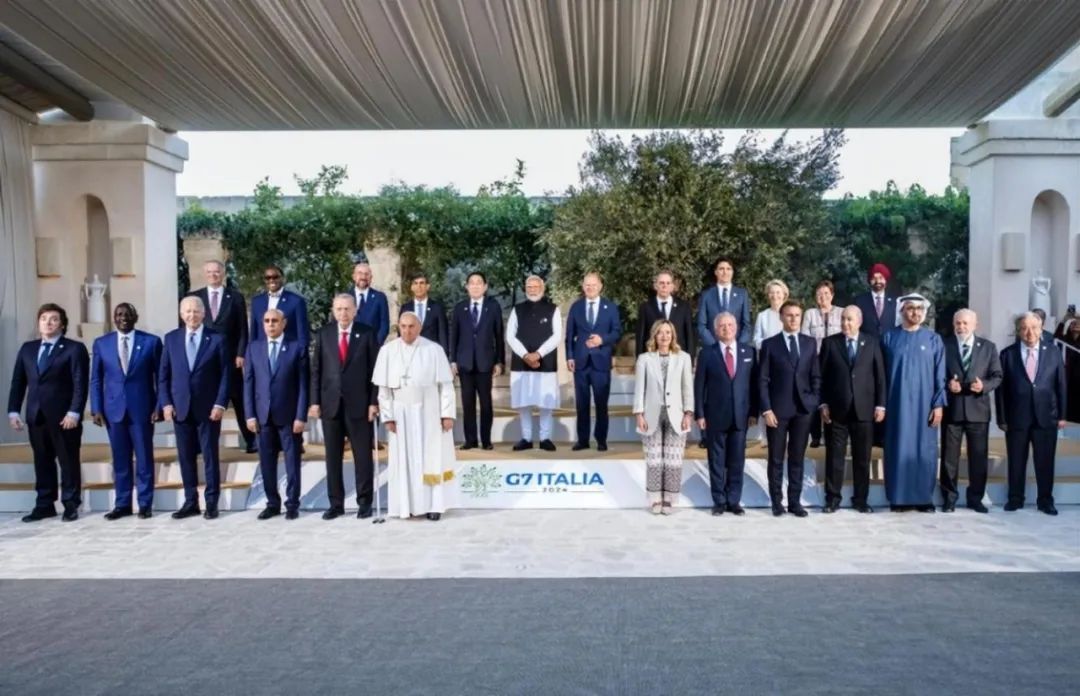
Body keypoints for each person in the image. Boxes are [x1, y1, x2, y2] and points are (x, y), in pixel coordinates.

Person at [7, 304, 89, 523]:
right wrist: (13, 411)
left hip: (65, 417)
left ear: (62, 324)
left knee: (68, 461)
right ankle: (44, 504)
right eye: (44, 318)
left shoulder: (74, 349)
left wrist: (74, 412)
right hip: (36, 416)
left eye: (54, 319)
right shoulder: (28, 349)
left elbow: (80, 384)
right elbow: (18, 382)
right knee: (42, 461)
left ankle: (71, 503)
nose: (48, 323)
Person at [373, 312, 457, 520]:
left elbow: (446, 387)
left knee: (431, 458)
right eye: (403, 326)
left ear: (419, 327)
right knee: (404, 461)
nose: (407, 331)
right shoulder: (387, 351)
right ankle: (406, 506)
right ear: (398, 327)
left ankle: (434, 506)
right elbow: (384, 390)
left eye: (411, 326)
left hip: (429, 413)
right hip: (400, 415)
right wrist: (388, 417)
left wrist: (447, 414)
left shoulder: (434, 349)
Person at [309, 294, 380, 519]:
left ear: (355, 310)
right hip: (330, 405)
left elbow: (375, 372)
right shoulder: (324, 334)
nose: (343, 313)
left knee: (363, 457)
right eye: (339, 309)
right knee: (333, 458)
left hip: (359, 405)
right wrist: (314, 401)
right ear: (333, 311)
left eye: (347, 309)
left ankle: (364, 502)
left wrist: (373, 402)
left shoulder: (367, 333)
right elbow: (316, 371)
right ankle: (335, 504)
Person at [159, 296, 230, 519]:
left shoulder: (217, 339)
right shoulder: (171, 339)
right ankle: (191, 502)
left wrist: (220, 403)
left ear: (203, 313)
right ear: (181, 314)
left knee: (210, 456)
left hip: (209, 409)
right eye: (188, 311)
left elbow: (226, 375)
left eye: (196, 311)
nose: (192, 315)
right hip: (180, 408)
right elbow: (163, 376)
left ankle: (211, 503)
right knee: (185, 457)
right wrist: (166, 403)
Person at [90, 303, 162, 519]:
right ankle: (122, 504)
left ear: (135, 317)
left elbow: (161, 377)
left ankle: (145, 503)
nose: (123, 318)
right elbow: (96, 379)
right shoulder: (101, 343)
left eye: (128, 314)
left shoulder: (151, 342)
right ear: (114, 318)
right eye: (119, 314)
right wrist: (96, 408)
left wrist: (159, 405)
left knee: (144, 458)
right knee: (120, 459)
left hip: (142, 409)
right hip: (113, 410)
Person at [996, 312, 1067, 515]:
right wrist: (1002, 418)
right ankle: (1015, 498)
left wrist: (1062, 415)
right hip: (1016, 417)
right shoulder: (1007, 354)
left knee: (1045, 461)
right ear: (1018, 331)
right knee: (1016, 460)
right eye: (1024, 328)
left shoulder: (1053, 351)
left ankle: (1045, 500)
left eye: (1034, 328)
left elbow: (1061, 384)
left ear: (1041, 329)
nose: (1030, 333)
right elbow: (1001, 390)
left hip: (1046, 416)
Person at [880, 294, 945, 512]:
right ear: (902, 311)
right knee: (898, 449)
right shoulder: (888, 337)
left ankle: (923, 499)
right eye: (910, 308)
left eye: (919, 308)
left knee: (924, 450)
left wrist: (938, 404)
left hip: (925, 407)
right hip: (896, 405)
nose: (915, 312)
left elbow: (940, 374)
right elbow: (880, 375)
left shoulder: (933, 339)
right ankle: (898, 498)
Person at [818, 305, 885, 513]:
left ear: (859, 321)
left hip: (864, 410)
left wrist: (881, 405)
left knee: (862, 458)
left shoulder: (872, 343)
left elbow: (880, 376)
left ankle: (861, 500)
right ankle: (832, 499)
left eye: (850, 319)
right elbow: (820, 377)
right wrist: (823, 403)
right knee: (834, 457)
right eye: (843, 319)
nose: (845, 323)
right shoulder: (830, 343)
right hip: (836, 410)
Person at [244, 308, 309, 520]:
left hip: (289, 417)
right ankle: (272, 503)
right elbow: (248, 383)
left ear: (284, 323)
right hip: (262, 416)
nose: (270, 324)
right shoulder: (254, 348)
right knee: (266, 462)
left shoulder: (296, 348)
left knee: (292, 462)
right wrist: (250, 415)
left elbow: (303, 385)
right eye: (267, 321)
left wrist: (301, 416)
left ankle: (292, 504)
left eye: (274, 320)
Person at [758, 300, 820, 517]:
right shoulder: (770, 345)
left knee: (797, 458)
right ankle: (777, 502)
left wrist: (813, 402)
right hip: (777, 411)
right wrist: (766, 409)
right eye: (789, 315)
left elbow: (815, 376)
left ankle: (795, 502)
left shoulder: (809, 343)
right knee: (775, 459)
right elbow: (762, 380)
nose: (793, 319)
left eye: (797, 315)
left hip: (803, 411)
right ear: (781, 317)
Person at [694, 313, 758, 516]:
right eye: (722, 326)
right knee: (716, 461)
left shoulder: (749, 352)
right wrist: (700, 414)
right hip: (714, 416)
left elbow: (754, 385)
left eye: (730, 325)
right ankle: (719, 501)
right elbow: (699, 386)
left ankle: (734, 501)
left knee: (737, 461)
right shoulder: (706, 353)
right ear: (715, 330)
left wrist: (754, 412)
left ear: (736, 327)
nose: (727, 328)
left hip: (741, 416)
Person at [940, 309, 1002, 513]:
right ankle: (949, 498)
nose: (961, 327)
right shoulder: (944, 345)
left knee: (978, 458)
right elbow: (937, 373)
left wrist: (983, 386)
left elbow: (997, 376)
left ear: (975, 325)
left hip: (978, 411)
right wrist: (948, 385)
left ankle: (975, 498)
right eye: (958, 323)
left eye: (965, 323)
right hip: (953, 410)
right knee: (949, 458)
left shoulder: (988, 347)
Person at [189, 260, 254, 452]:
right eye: (209, 271)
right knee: (203, 400)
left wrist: (241, 353)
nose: (213, 275)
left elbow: (243, 329)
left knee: (239, 399)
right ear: (205, 273)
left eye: (216, 271)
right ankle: (201, 444)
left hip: (231, 358)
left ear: (223, 273)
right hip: (204, 358)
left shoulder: (235, 297)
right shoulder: (194, 297)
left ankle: (252, 441)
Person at [633, 320, 693, 515]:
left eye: (668, 332)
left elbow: (687, 388)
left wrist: (688, 413)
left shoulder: (683, 358)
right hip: (651, 414)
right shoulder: (644, 358)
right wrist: (639, 414)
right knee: (654, 460)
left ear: (673, 335)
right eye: (660, 332)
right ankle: (655, 499)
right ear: (654, 336)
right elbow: (639, 389)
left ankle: (669, 499)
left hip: (677, 415)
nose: (664, 336)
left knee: (673, 460)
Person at [565, 272, 621, 451]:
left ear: (600, 286)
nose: (590, 288)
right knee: (582, 404)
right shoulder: (576, 307)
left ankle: (601, 440)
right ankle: (582, 440)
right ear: (583, 286)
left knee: (601, 404)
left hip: (601, 362)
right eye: (587, 285)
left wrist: (602, 340)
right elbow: (569, 335)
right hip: (580, 362)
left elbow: (617, 332)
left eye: (593, 284)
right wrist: (570, 356)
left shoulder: (610, 307)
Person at [449, 272, 505, 450]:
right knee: (467, 404)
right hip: (465, 363)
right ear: (466, 287)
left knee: (486, 403)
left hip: (485, 362)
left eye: (479, 283)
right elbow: (454, 336)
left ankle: (486, 440)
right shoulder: (460, 308)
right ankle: (470, 440)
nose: (475, 286)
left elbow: (499, 335)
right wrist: (453, 360)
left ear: (485, 287)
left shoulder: (493, 307)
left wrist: (500, 361)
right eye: (471, 283)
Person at [507, 275, 561, 452]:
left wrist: (538, 354)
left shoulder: (553, 309)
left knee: (546, 403)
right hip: (521, 362)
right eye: (529, 287)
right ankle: (526, 438)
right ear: (525, 289)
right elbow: (510, 336)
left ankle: (545, 438)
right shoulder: (517, 309)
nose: (532, 289)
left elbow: (557, 336)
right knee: (524, 402)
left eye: (536, 286)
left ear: (542, 288)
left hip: (545, 362)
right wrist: (525, 355)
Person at [801, 280, 844, 447]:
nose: (823, 297)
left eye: (826, 293)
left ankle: (831, 433)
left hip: (835, 361)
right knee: (815, 395)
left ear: (832, 295)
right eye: (819, 294)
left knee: (832, 396)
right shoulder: (810, 314)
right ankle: (815, 435)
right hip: (815, 359)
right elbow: (805, 337)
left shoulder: (841, 312)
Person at [635, 270, 695, 358]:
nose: (664, 286)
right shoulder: (645, 307)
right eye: (661, 283)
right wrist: (639, 359)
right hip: (652, 357)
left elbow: (690, 335)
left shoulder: (684, 307)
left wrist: (690, 359)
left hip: (678, 357)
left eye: (668, 283)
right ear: (655, 286)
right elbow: (640, 337)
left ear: (672, 286)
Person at [697, 256, 752, 348]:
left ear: (732, 272)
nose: (725, 272)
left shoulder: (742, 294)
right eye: (721, 269)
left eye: (728, 269)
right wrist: (715, 346)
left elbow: (746, 325)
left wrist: (739, 345)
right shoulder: (706, 295)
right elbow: (701, 325)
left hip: (736, 348)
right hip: (713, 348)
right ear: (716, 272)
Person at [249, 264, 310, 347]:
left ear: (282, 278)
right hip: (262, 351)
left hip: (288, 351)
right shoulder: (256, 302)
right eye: (268, 278)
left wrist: (302, 353)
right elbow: (253, 332)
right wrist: (251, 352)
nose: (271, 280)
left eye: (275, 277)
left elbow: (303, 334)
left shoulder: (296, 301)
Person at [400, 272, 448, 355]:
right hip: (410, 352)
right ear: (412, 287)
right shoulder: (405, 308)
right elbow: (401, 332)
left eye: (422, 283)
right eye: (415, 283)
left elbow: (443, 334)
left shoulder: (437, 308)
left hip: (431, 352)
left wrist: (444, 355)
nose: (419, 286)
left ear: (427, 286)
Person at [853, 263, 899, 338]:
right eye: (874, 278)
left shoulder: (895, 302)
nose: (877, 281)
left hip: (889, 343)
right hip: (866, 343)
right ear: (869, 281)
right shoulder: (859, 301)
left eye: (881, 278)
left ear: (885, 280)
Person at [350, 261, 390, 345]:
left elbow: (384, 325)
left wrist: (375, 345)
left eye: (366, 274)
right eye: (360, 273)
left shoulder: (380, 297)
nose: (363, 277)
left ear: (371, 278)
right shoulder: (344, 297)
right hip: (349, 347)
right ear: (354, 276)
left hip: (372, 346)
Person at [1053, 312, 1080, 423]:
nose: (1076, 325)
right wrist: (1064, 321)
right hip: (1067, 377)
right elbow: (1055, 340)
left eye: (1079, 323)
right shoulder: (1065, 340)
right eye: (1073, 323)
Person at [751, 279, 789, 350]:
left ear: (784, 294)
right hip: (768, 353)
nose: (775, 295)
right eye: (771, 292)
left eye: (778, 292)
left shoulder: (790, 314)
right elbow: (756, 340)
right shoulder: (762, 316)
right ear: (768, 295)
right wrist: (770, 346)